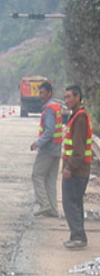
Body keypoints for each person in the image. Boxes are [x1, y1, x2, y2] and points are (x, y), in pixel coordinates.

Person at [61, 85, 93, 249]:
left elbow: (78, 150)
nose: (66, 100)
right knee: (76, 202)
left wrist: (69, 168)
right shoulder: (77, 116)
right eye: (65, 97)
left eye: (68, 97)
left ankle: (78, 236)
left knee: (70, 203)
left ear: (77, 97)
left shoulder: (79, 117)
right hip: (80, 170)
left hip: (77, 170)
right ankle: (78, 235)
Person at [30, 81, 63, 217]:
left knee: (37, 175)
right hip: (56, 148)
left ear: (50, 93)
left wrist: (38, 143)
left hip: (48, 149)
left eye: (43, 93)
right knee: (50, 180)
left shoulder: (49, 108)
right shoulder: (57, 106)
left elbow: (49, 131)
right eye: (40, 93)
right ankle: (53, 210)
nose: (41, 96)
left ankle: (44, 204)